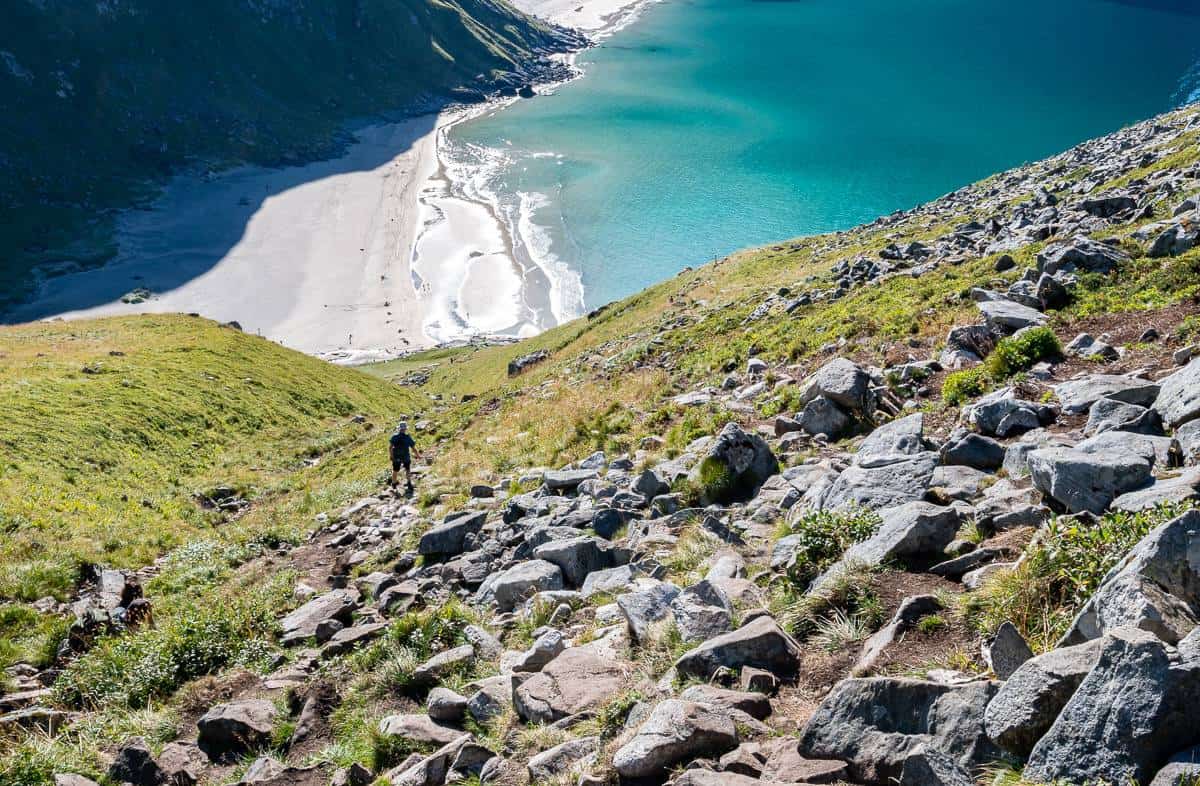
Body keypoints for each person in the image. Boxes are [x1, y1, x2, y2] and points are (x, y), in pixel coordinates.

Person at [389, 421, 420, 493]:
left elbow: (390, 447)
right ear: (405, 429)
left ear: (399, 429)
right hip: (406, 456)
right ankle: (409, 483)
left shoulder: (394, 437)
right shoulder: (407, 437)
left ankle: (393, 484)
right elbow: (413, 448)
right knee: (407, 469)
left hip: (396, 456)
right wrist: (418, 456)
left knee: (395, 470)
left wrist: (391, 456)